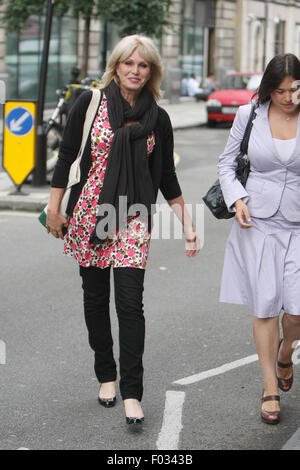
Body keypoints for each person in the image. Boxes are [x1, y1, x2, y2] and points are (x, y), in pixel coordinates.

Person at [46, 34, 200, 426]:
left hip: (131, 216)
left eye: (143, 65)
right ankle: (106, 375)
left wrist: (187, 224)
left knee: (130, 305)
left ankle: (132, 392)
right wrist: (53, 207)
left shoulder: (158, 118)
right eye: (128, 63)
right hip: (89, 215)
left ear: (152, 71)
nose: (135, 71)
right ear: (116, 66)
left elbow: (166, 174)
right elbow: (65, 156)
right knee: (95, 298)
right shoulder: (90, 103)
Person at [218, 53, 300, 425]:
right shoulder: (249, 115)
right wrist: (237, 198)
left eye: (295, 89)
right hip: (259, 221)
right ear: (269, 88)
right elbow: (226, 162)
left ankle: (286, 353)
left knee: (296, 313)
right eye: (280, 90)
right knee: (266, 305)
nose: (288, 97)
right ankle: (269, 386)